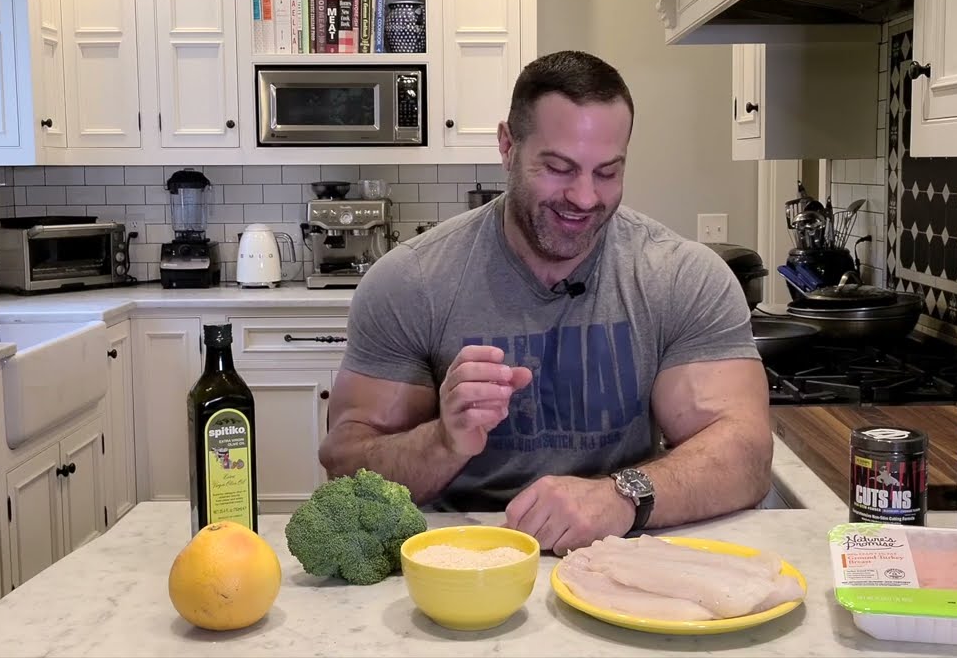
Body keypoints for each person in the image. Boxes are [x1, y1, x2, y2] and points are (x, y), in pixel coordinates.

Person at [318, 50, 773, 555]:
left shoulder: (680, 277)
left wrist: (622, 496)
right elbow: (345, 465)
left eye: (608, 172)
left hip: (621, 554)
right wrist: (443, 441)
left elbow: (747, 453)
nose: (584, 197)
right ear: (507, 146)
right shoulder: (411, 282)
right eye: (558, 168)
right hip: (458, 559)